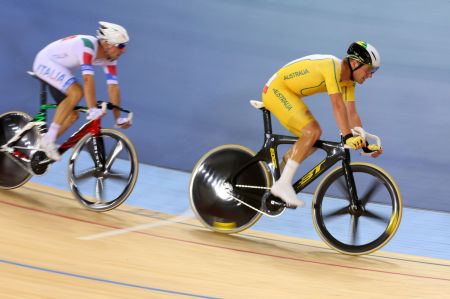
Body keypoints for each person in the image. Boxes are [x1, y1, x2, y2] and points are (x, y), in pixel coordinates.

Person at [262, 41, 383, 207]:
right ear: (355, 63)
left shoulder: (349, 82)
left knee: (310, 143)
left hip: (289, 93)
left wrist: (365, 145)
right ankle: (282, 184)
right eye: (369, 70)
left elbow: (352, 113)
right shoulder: (332, 68)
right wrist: (347, 136)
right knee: (312, 132)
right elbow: (337, 105)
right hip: (277, 90)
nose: (370, 75)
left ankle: (277, 177)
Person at [32, 21, 132, 160]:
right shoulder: (87, 45)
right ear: (107, 44)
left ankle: (44, 143)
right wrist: (92, 109)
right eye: (120, 46)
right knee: (76, 92)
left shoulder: (110, 58)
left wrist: (118, 118)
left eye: (124, 46)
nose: (123, 50)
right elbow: (88, 80)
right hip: (46, 61)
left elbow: (113, 87)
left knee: (73, 115)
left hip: (62, 69)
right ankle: (48, 141)